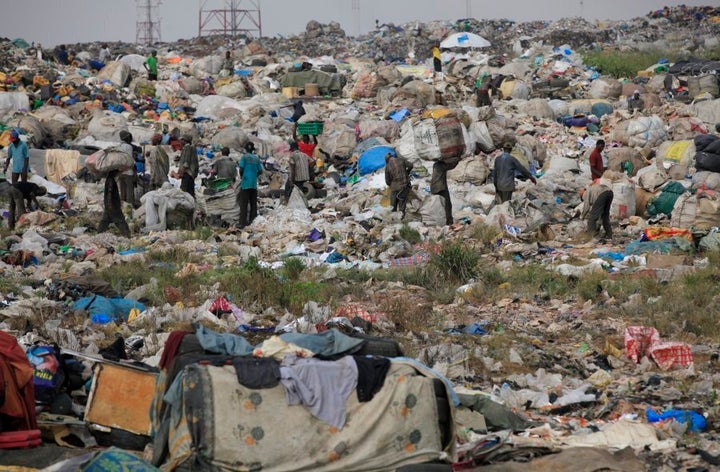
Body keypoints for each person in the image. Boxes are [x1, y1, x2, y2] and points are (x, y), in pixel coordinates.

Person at [98, 170, 131, 238]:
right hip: (113, 205)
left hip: (110, 205)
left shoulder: (110, 179)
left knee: (105, 221)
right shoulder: (111, 180)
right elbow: (109, 193)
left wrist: (108, 205)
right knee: (120, 220)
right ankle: (127, 235)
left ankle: (99, 233)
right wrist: (110, 205)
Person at [238, 142, 263, 228]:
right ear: (252, 149)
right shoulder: (256, 158)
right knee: (253, 204)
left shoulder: (244, 157)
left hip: (245, 183)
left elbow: (241, 169)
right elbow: (260, 170)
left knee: (244, 204)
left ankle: (242, 223)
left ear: (245, 149)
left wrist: (242, 176)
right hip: (253, 184)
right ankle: (253, 221)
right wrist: (255, 175)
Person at [431, 157, 461, 226]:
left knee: (439, 205)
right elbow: (451, 166)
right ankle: (449, 222)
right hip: (440, 187)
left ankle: (440, 220)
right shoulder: (441, 166)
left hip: (434, 187)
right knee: (447, 204)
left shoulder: (436, 164)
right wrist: (458, 159)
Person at [385, 153, 414, 217]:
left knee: (393, 204)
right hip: (404, 185)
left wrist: (391, 184)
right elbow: (411, 165)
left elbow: (387, 181)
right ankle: (402, 217)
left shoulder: (387, 167)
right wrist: (407, 172)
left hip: (395, 187)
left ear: (387, 160)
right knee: (402, 202)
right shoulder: (401, 160)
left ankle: (393, 218)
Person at [117, 130, 136, 205]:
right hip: (128, 172)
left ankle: (123, 206)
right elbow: (130, 160)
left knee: (123, 190)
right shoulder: (129, 147)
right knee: (129, 191)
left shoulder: (118, 146)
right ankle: (129, 207)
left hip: (120, 172)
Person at [177, 135, 198, 199]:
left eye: (181, 140)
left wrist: (180, 173)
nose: (180, 141)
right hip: (191, 174)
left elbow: (186, 163)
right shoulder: (191, 148)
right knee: (190, 192)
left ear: (185, 141)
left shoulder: (187, 148)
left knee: (184, 193)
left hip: (187, 173)